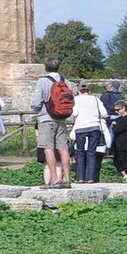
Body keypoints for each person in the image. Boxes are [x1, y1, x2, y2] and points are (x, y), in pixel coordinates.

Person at [33, 59, 76, 187]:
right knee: (63, 148)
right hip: (62, 118)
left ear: (46, 68)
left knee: (48, 148)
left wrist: (36, 109)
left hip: (46, 118)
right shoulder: (65, 81)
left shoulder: (42, 81)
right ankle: (67, 178)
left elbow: (36, 103)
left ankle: (54, 180)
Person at [70, 80, 110, 184]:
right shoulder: (96, 99)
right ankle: (90, 178)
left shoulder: (77, 99)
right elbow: (104, 113)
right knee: (92, 153)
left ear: (79, 91)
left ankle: (80, 178)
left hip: (81, 127)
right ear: (89, 91)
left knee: (80, 152)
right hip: (94, 127)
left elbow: (74, 113)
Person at [107, 100, 127, 178]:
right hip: (118, 144)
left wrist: (114, 124)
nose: (116, 112)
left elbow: (118, 129)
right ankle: (125, 175)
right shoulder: (121, 118)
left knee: (124, 162)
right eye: (115, 110)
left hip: (124, 144)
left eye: (118, 110)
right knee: (117, 161)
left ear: (123, 108)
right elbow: (112, 121)